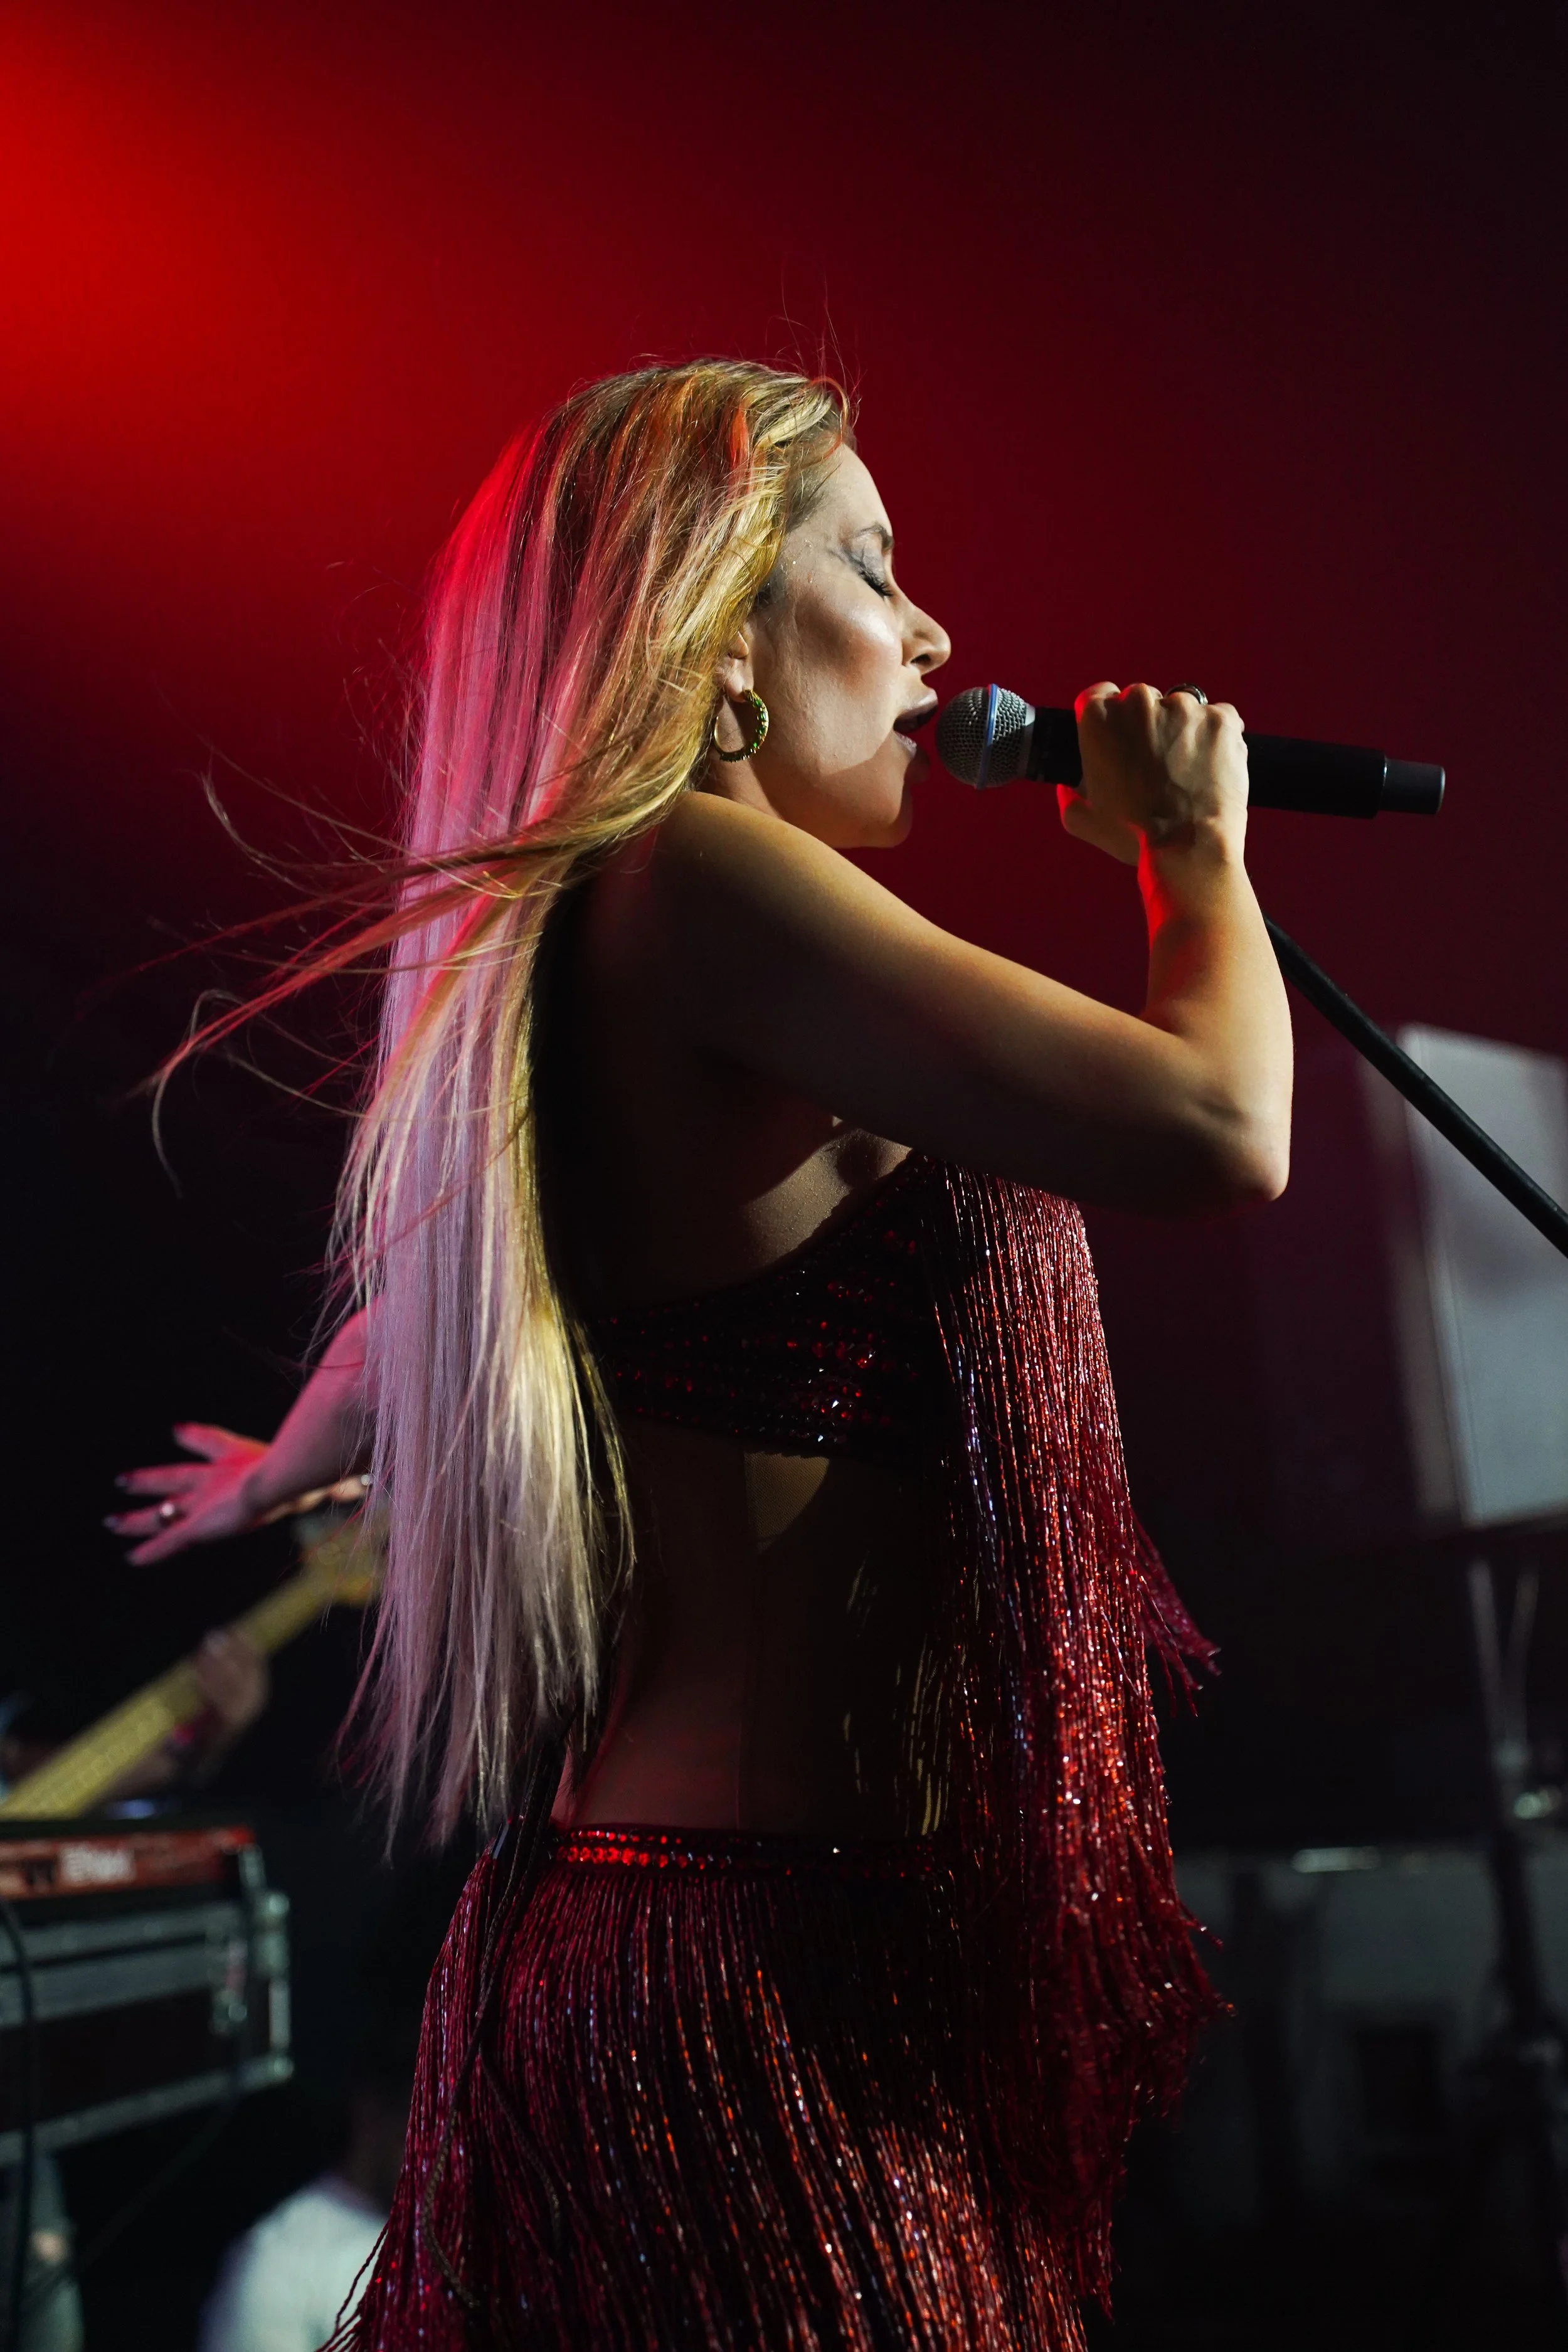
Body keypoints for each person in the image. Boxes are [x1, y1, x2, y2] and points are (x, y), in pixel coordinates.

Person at [114, 361, 1291, 2349]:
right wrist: (1198, 852)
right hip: (750, 1967)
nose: (934, 632)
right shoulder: (696, 874)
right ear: (713, 635)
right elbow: (1216, 1123)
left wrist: (300, 1443)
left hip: (794, 1941)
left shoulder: (645, 927)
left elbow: (475, 1263)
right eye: (871, 567)